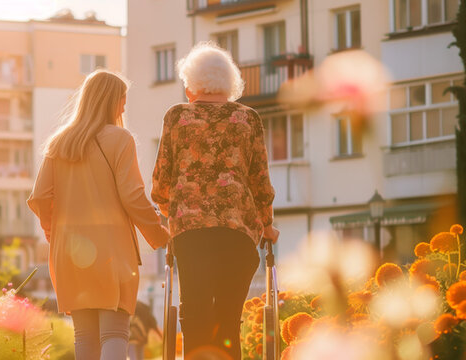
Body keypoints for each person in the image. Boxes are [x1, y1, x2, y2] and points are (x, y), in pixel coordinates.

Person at [27, 69, 170, 360]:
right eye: (122, 99)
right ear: (108, 100)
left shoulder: (59, 143)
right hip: (111, 252)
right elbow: (132, 196)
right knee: (115, 333)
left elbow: (40, 196)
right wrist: (160, 235)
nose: (124, 107)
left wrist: (52, 231)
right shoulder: (120, 139)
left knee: (85, 337)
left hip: (68, 253)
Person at [151, 42, 279, 360]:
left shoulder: (177, 116)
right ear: (229, 82)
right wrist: (268, 224)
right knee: (227, 323)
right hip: (237, 234)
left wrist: (171, 213)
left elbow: (161, 182)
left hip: (191, 232)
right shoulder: (248, 118)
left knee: (194, 315)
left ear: (191, 83)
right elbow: (260, 181)